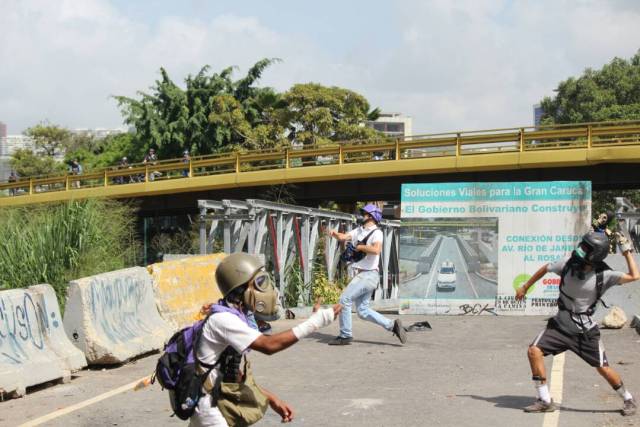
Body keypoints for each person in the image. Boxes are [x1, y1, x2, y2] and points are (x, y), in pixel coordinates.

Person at [191, 252, 342, 427]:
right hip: (208, 407)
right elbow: (269, 345)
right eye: (259, 283)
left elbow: (233, 375)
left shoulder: (233, 316)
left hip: (211, 400)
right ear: (242, 288)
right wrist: (315, 322)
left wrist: (271, 400)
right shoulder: (224, 320)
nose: (266, 289)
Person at [516, 231, 639, 416]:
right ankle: (544, 400)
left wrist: (627, 250)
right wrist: (525, 286)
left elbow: (634, 276)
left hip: (585, 333)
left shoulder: (604, 275)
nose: (579, 250)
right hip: (559, 326)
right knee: (534, 351)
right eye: (581, 245)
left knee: (603, 368)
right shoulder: (566, 264)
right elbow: (545, 268)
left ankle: (628, 398)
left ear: (595, 255)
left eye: (585, 248)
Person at [326, 204, 407, 346]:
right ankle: (392, 325)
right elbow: (344, 237)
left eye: (364, 214)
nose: (361, 216)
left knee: (344, 299)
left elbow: (376, 250)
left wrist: (360, 247)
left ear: (371, 216)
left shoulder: (377, 233)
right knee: (362, 311)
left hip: (368, 275)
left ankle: (345, 335)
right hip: (364, 276)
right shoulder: (359, 230)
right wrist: (334, 234)